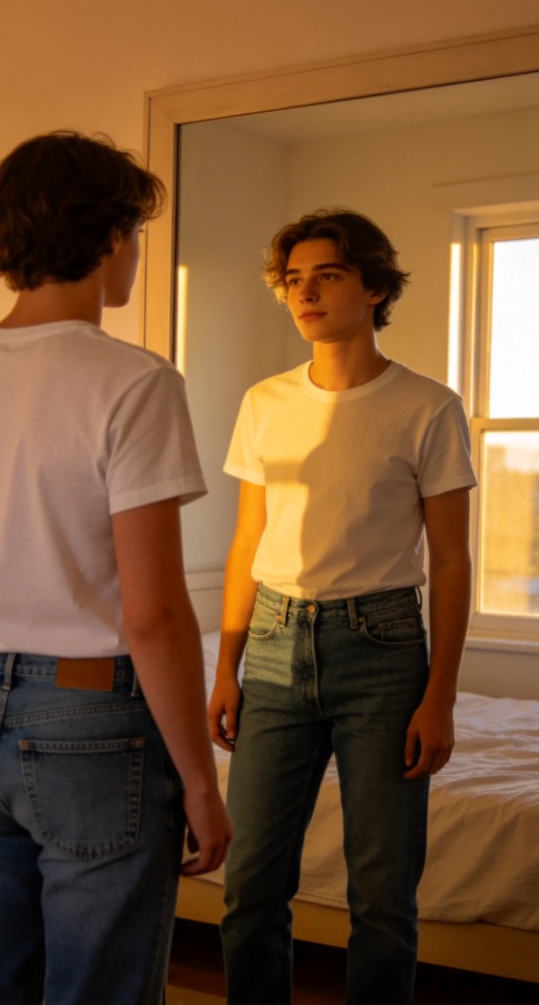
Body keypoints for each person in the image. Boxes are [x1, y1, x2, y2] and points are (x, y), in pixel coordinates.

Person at [0, 130, 231, 1005]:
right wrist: (200, 784)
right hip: (94, 724)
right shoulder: (133, 382)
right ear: (111, 236)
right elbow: (155, 615)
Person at [208, 209, 477, 1005]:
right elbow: (247, 543)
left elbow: (453, 560)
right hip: (276, 640)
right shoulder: (265, 402)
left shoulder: (428, 406)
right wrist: (226, 668)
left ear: (373, 286)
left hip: (385, 650)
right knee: (250, 885)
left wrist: (441, 696)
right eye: (294, 279)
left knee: (384, 895)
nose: (306, 292)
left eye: (326, 275)